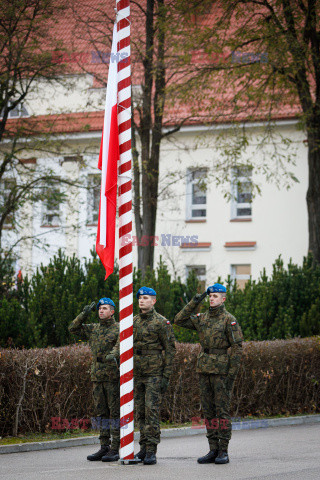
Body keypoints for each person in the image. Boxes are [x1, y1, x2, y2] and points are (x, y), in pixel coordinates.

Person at [174, 283, 243, 464]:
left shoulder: (229, 319)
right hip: (204, 368)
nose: (212, 298)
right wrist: (195, 301)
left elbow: (237, 349)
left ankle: (223, 450)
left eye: (215, 296)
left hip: (221, 371)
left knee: (222, 411)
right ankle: (213, 449)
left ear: (223, 298)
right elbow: (179, 320)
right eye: (210, 296)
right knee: (208, 411)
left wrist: (232, 375)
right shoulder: (202, 318)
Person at [107, 286, 176, 465]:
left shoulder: (161, 322)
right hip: (136, 373)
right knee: (140, 412)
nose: (141, 300)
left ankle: (152, 450)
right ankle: (143, 448)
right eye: (140, 298)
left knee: (151, 411)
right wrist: (114, 354)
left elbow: (170, 350)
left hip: (154, 373)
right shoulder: (133, 321)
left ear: (153, 301)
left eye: (146, 298)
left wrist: (166, 376)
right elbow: (122, 341)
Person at [68, 297, 120, 462]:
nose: (101, 311)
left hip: (112, 375)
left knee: (114, 412)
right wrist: (84, 314)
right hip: (97, 375)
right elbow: (72, 328)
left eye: (105, 308)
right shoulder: (94, 328)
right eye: (99, 309)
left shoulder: (119, 328)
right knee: (101, 412)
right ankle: (104, 446)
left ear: (112, 312)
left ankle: (115, 447)